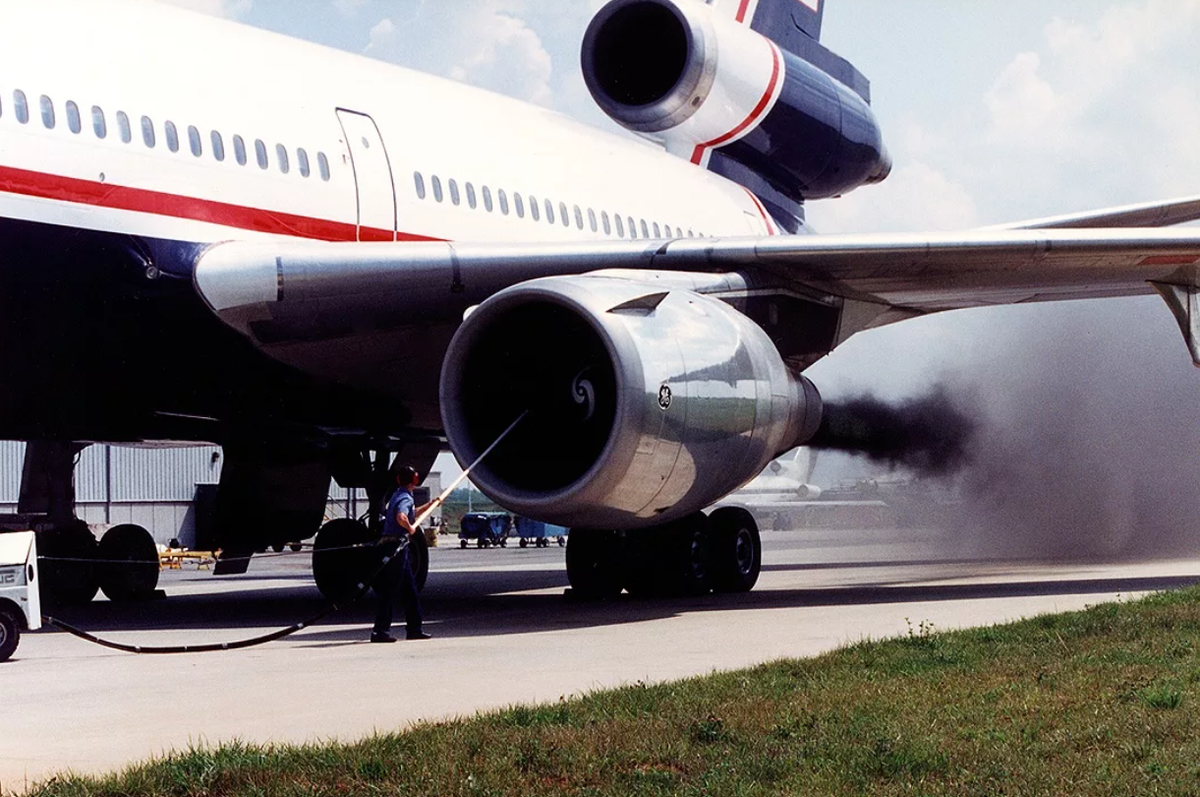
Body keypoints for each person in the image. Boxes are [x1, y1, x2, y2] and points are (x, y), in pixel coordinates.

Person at [371, 464, 435, 642]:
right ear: (415, 480)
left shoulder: (399, 495)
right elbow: (402, 517)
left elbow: (410, 513)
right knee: (390, 590)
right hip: (395, 548)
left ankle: (414, 629)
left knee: (410, 590)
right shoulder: (405, 498)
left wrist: (428, 506)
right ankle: (379, 631)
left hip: (398, 547)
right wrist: (410, 529)